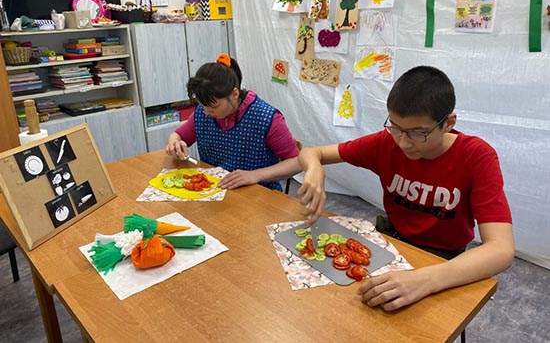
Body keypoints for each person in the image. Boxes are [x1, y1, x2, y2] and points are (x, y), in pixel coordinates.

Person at [297, 65, 514, 311]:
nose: (403, 142)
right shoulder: (386, 142)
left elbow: (501, 249)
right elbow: (311, 152)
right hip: (393, 241)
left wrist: (426, 279)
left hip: (443, 256)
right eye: (396, 127)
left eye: (418, 133)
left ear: (449, 123)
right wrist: (314, 168)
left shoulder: (476, 156)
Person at [166, 53, 301, 191]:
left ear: (234, 94)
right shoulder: (204, 112)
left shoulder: (265, 117)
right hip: (216, 191)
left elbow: (297, 162)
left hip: (258, 194)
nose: (206, 112)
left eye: (213, 106)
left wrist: (255, 175)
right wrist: (174, 143)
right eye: (202, 105)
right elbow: (177, 136)